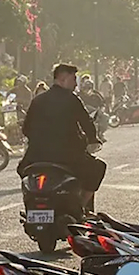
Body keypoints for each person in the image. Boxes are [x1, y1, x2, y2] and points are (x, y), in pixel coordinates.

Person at [18, 63, 107, 202]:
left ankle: (30, 202)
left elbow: (26, 129)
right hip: (68, 158)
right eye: (73, 80)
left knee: (23, 171)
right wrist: (93, 139)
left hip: (35, 157)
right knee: (98, 168)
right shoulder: (72, 99)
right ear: (62, 79)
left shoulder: (37, 100)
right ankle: (82, 206)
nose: (75, 85)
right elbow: (87, 124)